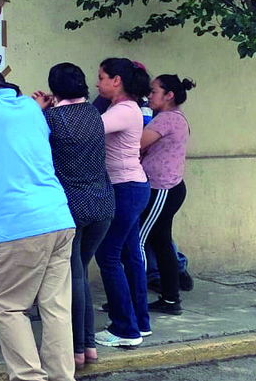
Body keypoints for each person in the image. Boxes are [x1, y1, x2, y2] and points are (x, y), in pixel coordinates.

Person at [0, 66, 77, 381]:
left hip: (17, 225)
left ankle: (28, 377)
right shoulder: (31, 109)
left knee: (9, 306)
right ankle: (62, 376)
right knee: (56, 307)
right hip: (58, 217)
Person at [33, 63, 114, 368]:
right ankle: (88, 346)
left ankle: (77, 349)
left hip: (71, 206)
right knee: (80, 272)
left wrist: (41, 109)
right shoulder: (94, 113)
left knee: (74, 277)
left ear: (54, 88)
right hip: (102, 204)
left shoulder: (51, 119)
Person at [92, 58, 152, 348]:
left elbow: (86, 130)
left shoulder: (124, 110)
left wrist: (60, 109)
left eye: (101, 77)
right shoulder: (122, 108)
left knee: (108, 256)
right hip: (130, 187)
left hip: (125, 189)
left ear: (116, 81)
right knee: (129, 255)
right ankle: (139, 321)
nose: (97, 83)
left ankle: (125, 329)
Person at [137, 75, 195, 315]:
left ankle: (132, 302)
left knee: (137, 242)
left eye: (154, 91)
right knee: (161, 243)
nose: (149, 96)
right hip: (168, 188)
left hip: (162, 189)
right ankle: (171, 299)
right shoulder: (173, 117)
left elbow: (137, 143)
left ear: (169, 95)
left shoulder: (167, 119)